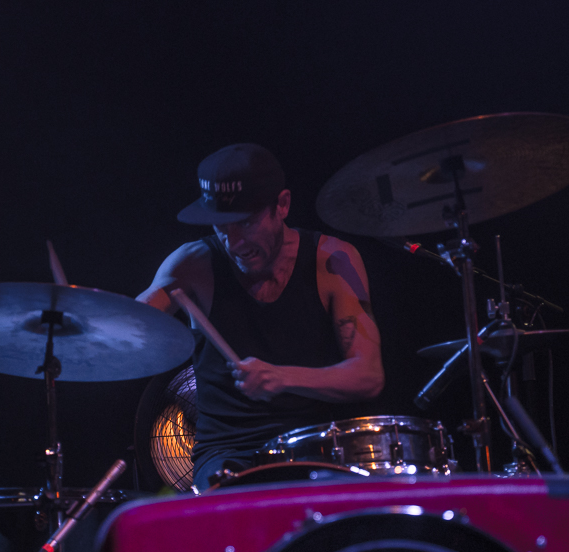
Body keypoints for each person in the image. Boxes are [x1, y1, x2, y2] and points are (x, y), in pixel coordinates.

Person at [137, 143, 384, 491]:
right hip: (225, 455)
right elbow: (129, 326)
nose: (234, 242)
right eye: (221, 227)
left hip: (316, 447)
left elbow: (368, 375)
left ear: (282, 205)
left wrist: (282, 377)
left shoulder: (332, 260)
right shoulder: (191, 265)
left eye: (246, 223)